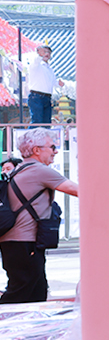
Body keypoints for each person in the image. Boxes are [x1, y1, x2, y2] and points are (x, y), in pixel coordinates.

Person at [0, 129, 78, 303]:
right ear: (36, 150)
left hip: (15, 242)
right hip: (24, 242)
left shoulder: (18, 169)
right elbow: (79, 190)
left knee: (36, 291)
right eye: (52, 147)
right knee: (21, 292)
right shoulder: (39, 171)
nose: (55, 151)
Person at [21, 44, 57, 125]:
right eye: (44, 52)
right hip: (36, 96)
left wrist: (59, 83)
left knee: (46, 122)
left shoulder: (50, 69)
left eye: (49, 52)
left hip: (47, 97)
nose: (47, 54)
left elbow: (53, 82)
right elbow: (36, 61)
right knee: (37, 121)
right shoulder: (35, 65)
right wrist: (39, 56)